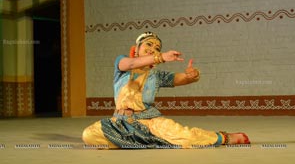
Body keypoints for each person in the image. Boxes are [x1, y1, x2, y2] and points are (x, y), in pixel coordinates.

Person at [82, 32, 250, 149]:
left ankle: (225, 137)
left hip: (150, 121)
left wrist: (192, 75)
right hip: (119, 122)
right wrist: (161, 56)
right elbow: (130, 64)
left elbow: (182, 78)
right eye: (149, 44)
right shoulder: (123, 66)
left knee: (187, 138)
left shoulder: (157, 75)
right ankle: (151, 142)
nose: (152, 49)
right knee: (89, 136)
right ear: (137, 48)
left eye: (156, 48)